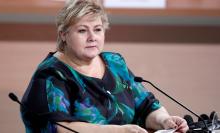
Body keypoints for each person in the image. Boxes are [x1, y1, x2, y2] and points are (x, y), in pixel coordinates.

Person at [21, 0, 189, 133]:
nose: (92, 37)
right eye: (82, 31)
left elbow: (146, 107)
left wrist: (164, 120)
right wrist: (119, 132)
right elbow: (60, 128)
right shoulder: (52, 75)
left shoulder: (115, 63)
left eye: (98, 29)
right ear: (63, 35)